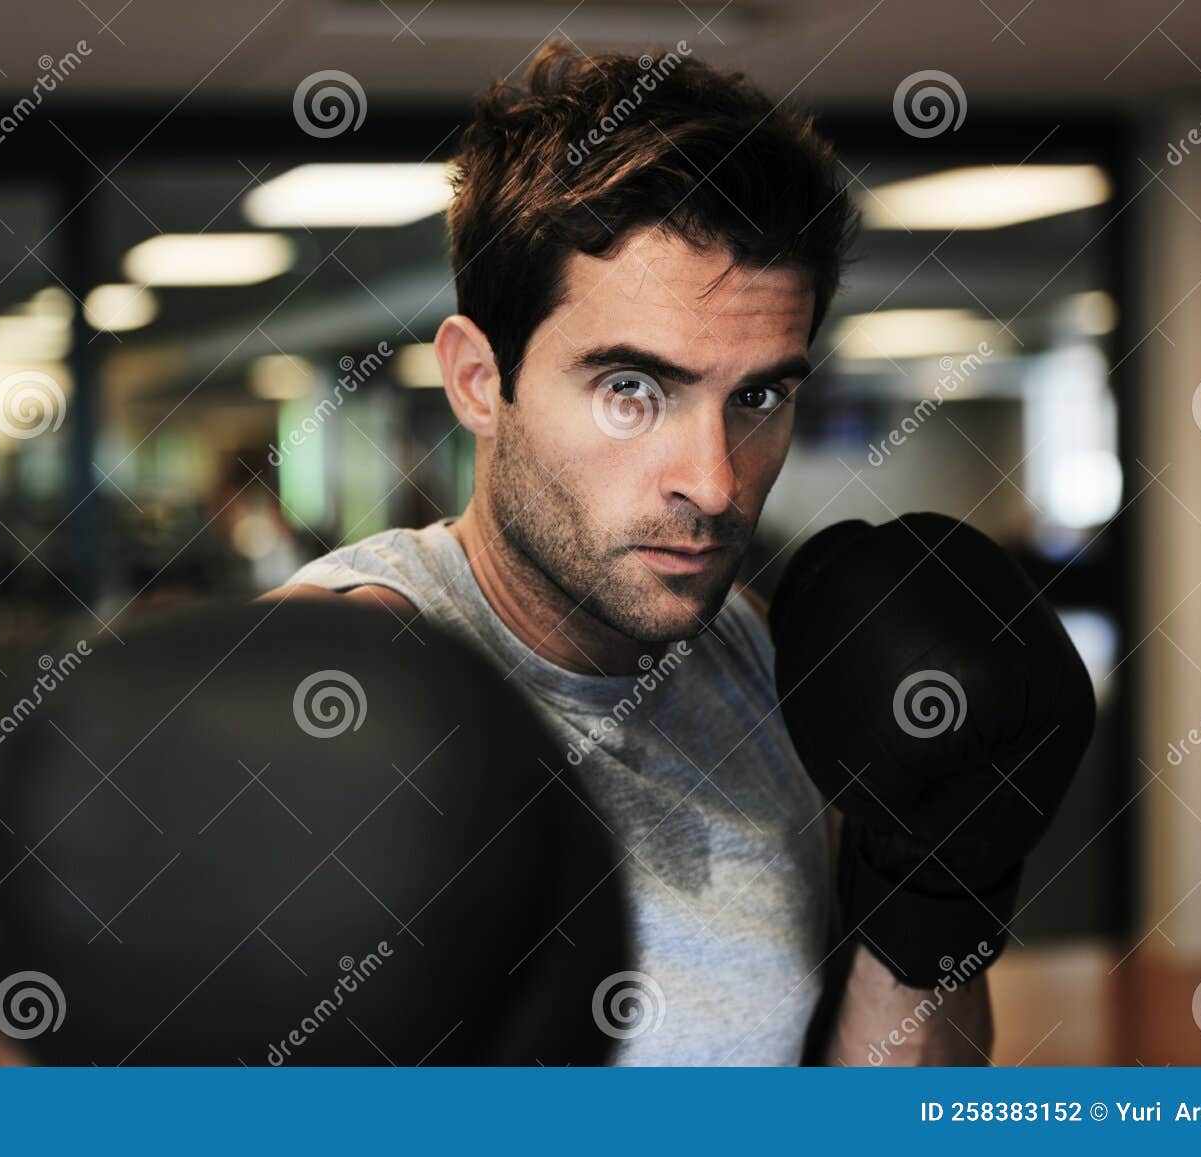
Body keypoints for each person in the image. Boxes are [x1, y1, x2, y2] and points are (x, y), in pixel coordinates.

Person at [262, 43, 1092, 1065]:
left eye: (757, 396)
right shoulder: (345, 685)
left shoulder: (758, 661)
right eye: (631, 390)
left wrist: (928, 899)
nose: (713, 480)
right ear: (480, 380)